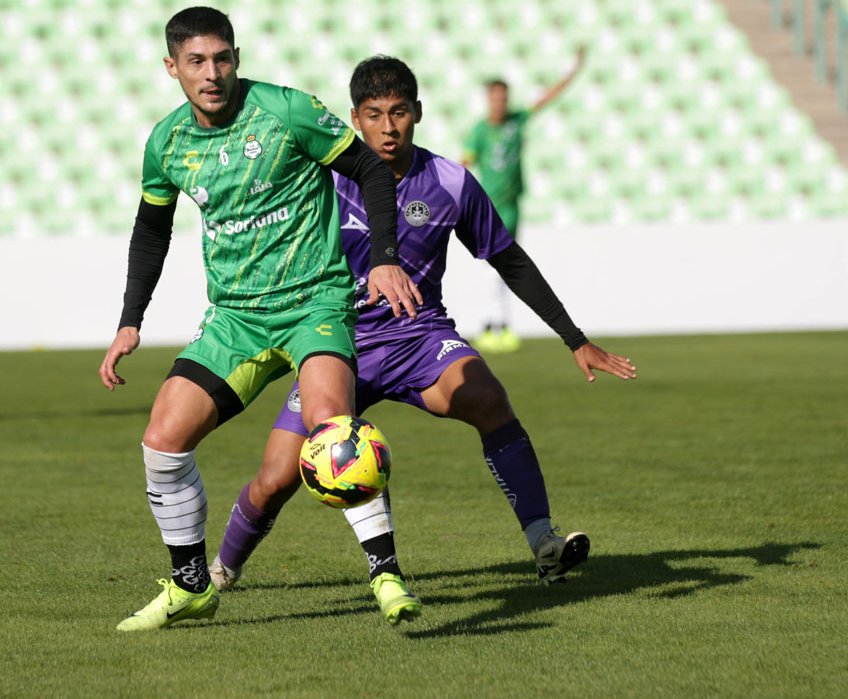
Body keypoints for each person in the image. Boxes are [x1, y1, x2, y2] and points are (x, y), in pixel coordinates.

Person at [208, 56, 636, 625]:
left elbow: (508, 259)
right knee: (275, 480)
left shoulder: (451, 182)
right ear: (354, 119)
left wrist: (574, 339)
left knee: (489, 399)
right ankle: (221, 570)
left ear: (418, 112)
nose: (388, 128)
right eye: (374, 115)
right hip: (336, 344)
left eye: (399, 113)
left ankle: (544, 543)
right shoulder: (322, 180)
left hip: (420, 337)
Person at [99, 8, 421, 632]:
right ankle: (192, 585)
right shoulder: (166, 143)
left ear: (237, 59)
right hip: (236, 318)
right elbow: (151, 231)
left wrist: (384, 259)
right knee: (162, 439)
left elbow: (371, 170)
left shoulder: (286, 110)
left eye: (222, 58)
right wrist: (129, 320)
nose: (211, 73)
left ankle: (386, 574)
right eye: (196, 62)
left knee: (332, 426)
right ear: (172, 67)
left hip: (313, 303)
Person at [462, 48, 586, 354]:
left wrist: (572, 72)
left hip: (511, 204)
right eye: (495, 98)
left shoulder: (516, 121)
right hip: (489, 207)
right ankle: (496, 325)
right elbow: (464, 163)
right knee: (498, 265)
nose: (500, 103)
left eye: (503, 98)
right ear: (488, 99)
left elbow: (547, 98)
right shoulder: (480, 131)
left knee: (505, 265)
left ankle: (495, 325)